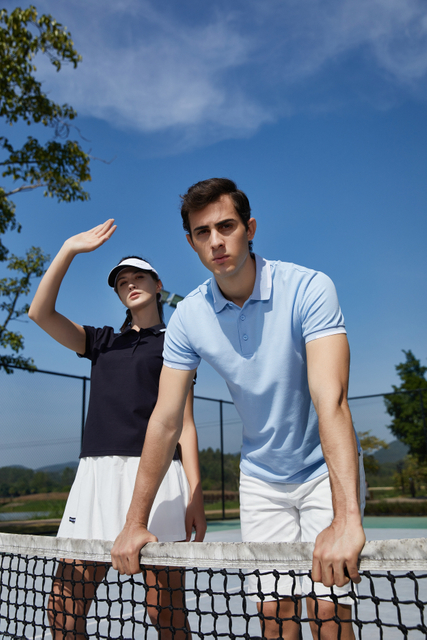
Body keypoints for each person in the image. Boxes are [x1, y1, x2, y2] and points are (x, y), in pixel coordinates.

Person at [111, 179, 366, 640]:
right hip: (261, 479)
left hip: (323, 473)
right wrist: (134, 525)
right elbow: (165, 421)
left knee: (328, 615)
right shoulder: (189, 317)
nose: (216, 241)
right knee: (275, 618)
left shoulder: (309, 287)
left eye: (226, 226)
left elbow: (331, 399)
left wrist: (346, 518)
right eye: (202, 232)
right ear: (191, 242)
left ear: (249, 229)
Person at [28, 219, 206, 640]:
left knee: (165, 613)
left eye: (138, 277)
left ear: (158, 285)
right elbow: (40, 313)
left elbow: (185, 424)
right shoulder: (101, 341)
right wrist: (69, 249)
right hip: (95, 479)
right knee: (63, 609)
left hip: (158, 481)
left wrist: (195, 493)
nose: (130, 285)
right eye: (122, 282)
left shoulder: (176, 344)